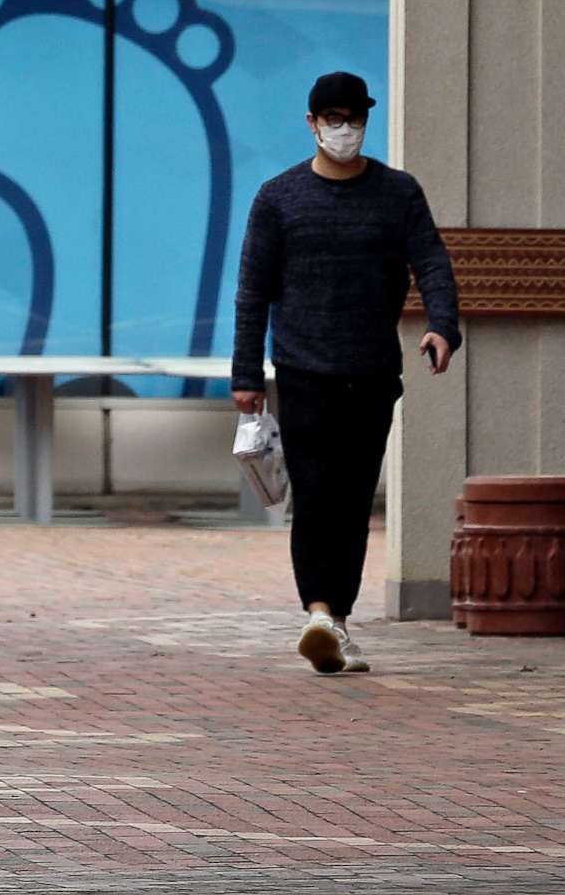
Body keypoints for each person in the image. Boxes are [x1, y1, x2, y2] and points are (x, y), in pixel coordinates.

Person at [230, 70, 461, 676]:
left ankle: (335, 619)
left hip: (372, 371)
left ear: (366, 119)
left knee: (354, 500)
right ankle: (320, 612)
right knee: (315, 496)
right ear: (311, 124)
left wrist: (443, 325)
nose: (344, 129)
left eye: (353, 117)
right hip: (303, 370)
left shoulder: (397, 194)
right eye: (332, 118)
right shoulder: (278, 198)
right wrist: (246, 376)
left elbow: (431, 261)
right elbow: (252, 291)